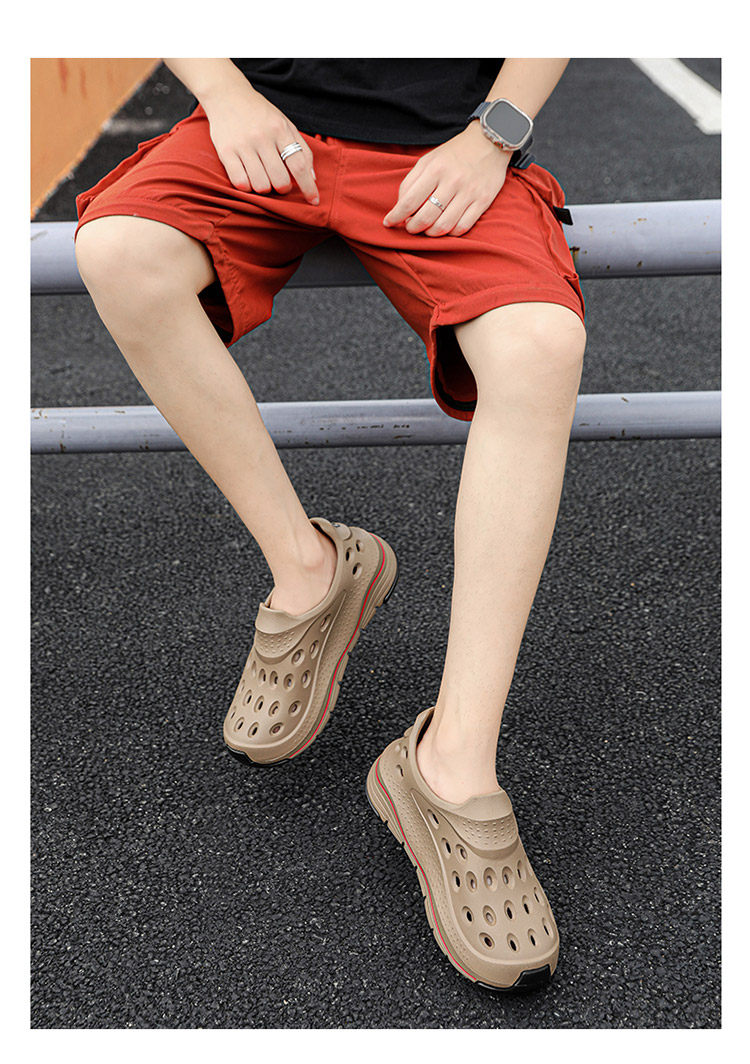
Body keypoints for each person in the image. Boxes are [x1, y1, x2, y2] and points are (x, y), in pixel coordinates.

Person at [73, 58, 586, 991]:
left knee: (541, 346)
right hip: (264, 126)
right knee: (120, 250)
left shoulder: (473, 140)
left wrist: (494, 135)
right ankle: (310, 568)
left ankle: (452, 766)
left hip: (444, 145)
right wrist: (225, 95)